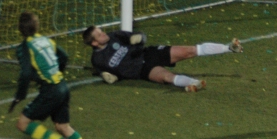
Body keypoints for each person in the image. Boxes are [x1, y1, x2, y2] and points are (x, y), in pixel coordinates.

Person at [9, 12, 99, 139]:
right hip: (62, 86)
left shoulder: (24, 48)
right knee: (63, 126)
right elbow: (63, 57)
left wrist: (19, 96)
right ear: (37, 26)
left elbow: (25, 74)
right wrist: (57, 72)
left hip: (50, 91)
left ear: (20, 30)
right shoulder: (46, 40)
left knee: (22, 123)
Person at [82, 26, 243, 90]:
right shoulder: (98, 60)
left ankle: (228, 48)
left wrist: (138, 39)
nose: (104, 33)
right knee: (166, 78)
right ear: (95, 43)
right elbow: (106, 73)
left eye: (101, 30)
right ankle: (193, 83)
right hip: (142, 70)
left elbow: (140, 37)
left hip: (150, 53)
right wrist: (108, 76)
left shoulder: (115, 35)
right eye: (99, 34)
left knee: (189, 50)